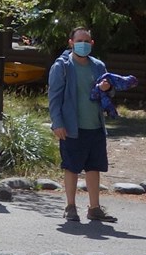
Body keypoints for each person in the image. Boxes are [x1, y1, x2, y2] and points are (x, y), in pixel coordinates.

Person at [49, 27, 118, 224]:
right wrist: (57, 123)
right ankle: (70, 206)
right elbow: (54, 98)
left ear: (92, 43)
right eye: (79, 40)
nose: (83, 44)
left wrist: (108, 87)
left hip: (95, 126)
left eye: (87, 41)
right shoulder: (61, 66)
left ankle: (94, 208)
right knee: (71, 167)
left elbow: (110, 92)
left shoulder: (98, 66)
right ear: (71, 42)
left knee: (94, 167)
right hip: (71, 127)